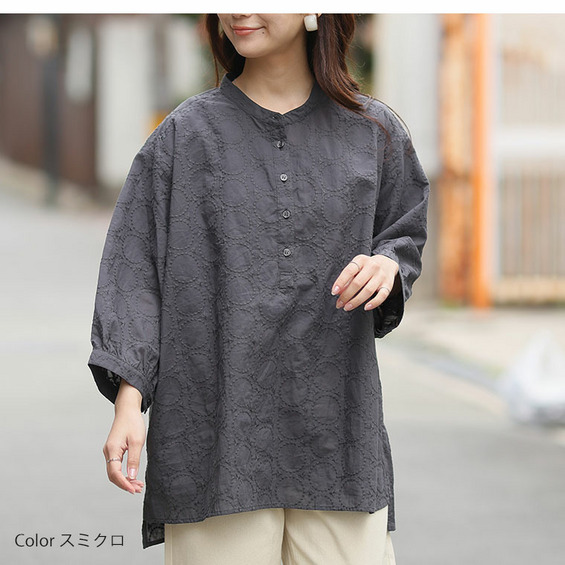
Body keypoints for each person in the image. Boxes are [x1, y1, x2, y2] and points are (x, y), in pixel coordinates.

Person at [87, 12, 429, 565]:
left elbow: (403, 232)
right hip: (213, 435)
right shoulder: (183, 137)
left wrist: (388, 266)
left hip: (338, 435)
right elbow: (136, 270)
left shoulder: (373, 132)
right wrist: (130, 400)